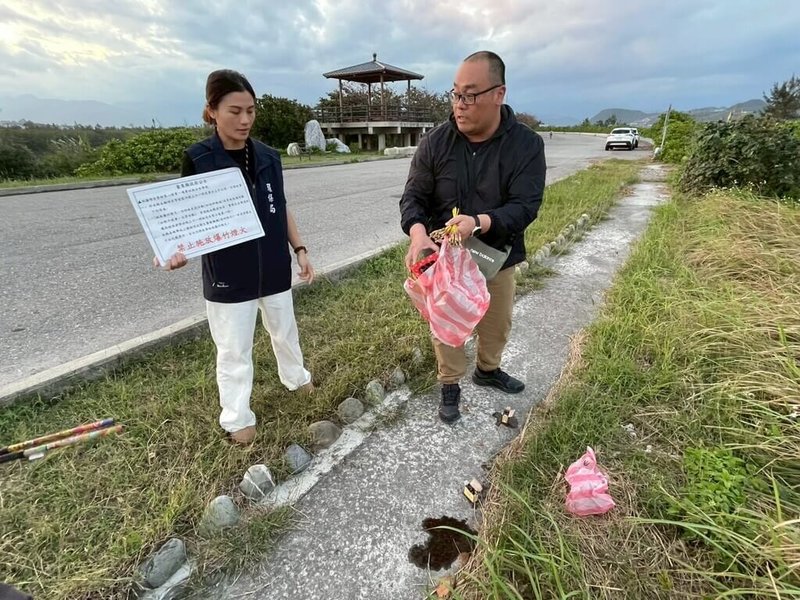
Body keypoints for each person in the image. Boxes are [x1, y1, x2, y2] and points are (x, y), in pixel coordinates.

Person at [160, 69, 315, 445]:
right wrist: (177, 252)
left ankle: (296, 379)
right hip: (229, 272)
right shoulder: (198, 158)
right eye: (234, 111)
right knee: (233, 349)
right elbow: (184, 220)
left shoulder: (267, 156)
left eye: (250, 110)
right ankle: (237, 417)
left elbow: (281, 206)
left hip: (274, 265)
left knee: (285, 331)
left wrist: (300, 248)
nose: (245, 120)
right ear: (211, 110)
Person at [399, 51, 546, 423]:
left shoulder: (526, 146)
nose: (459, 105)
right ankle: (450, 383)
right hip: (445, 260)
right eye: (455, 94)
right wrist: (418, 234)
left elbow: (526, 206)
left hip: (496, 254)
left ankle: (487, 369)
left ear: (499, 93)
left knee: (496, 325)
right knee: (447, 324)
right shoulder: (436, 142)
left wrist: (479, 222)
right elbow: (413, 197)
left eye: (470, 95)